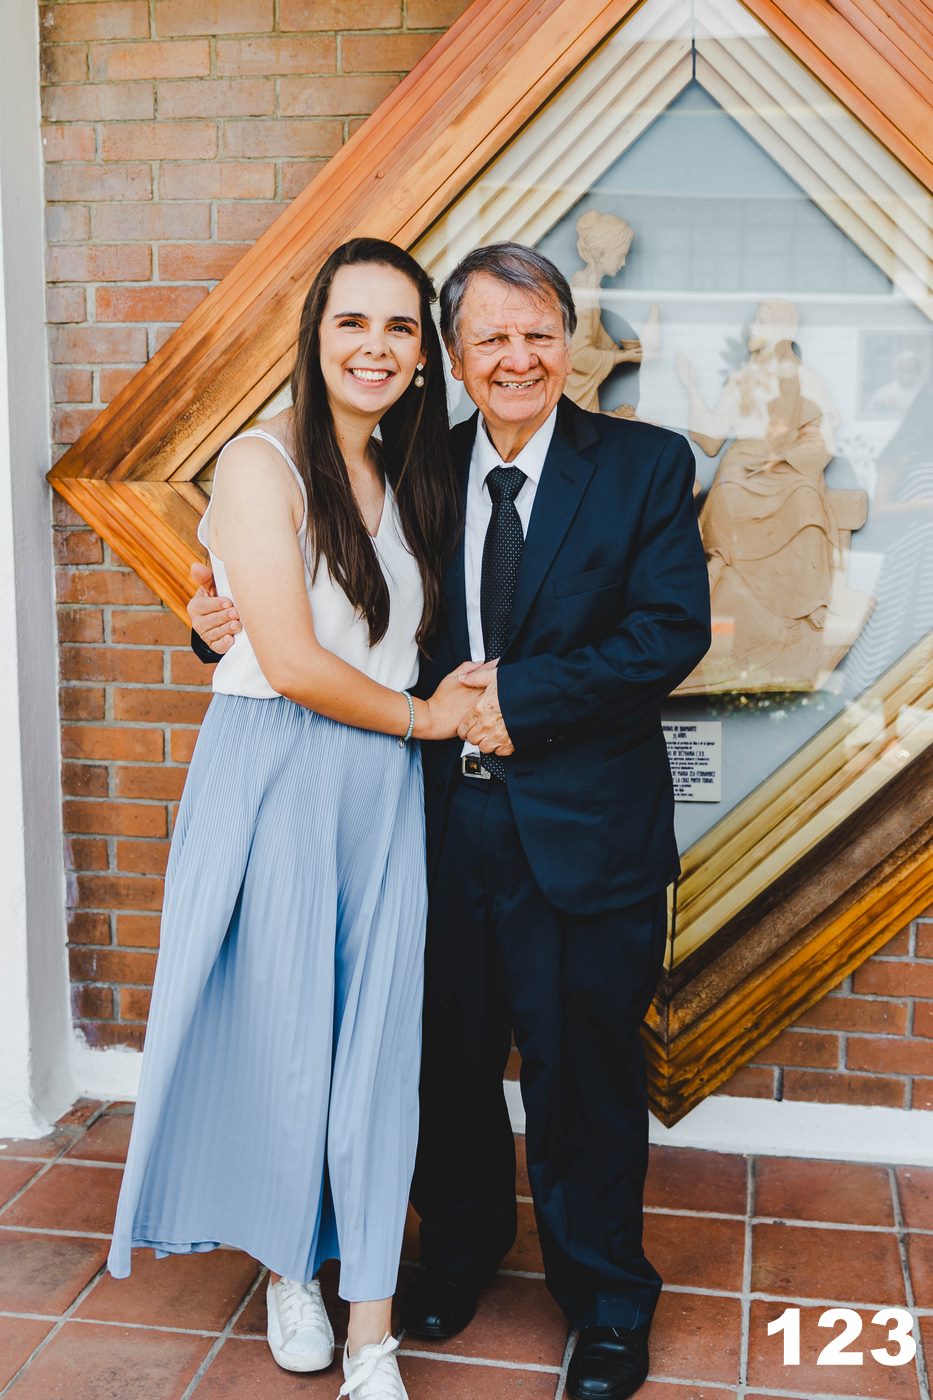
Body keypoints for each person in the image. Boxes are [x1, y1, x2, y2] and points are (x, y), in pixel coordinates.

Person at [191, 242, 711, 1400]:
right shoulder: (416, 462)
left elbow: (669, 633)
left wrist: (518, 699)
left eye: (538, 335)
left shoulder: (644, 464)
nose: (517, 358)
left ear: (567, 342)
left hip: (587, 832)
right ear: (456, 359)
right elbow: (332, 594)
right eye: (491, 339)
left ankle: (605, 1298)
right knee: (444, 1064)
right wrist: (215, 618)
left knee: (586, 1074)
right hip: (427, 825)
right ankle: (459, 1249)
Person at [111, 238, 472, 1400]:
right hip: (277, 763)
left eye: (401, 326)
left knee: (378, 1049)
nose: (376, 345)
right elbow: (293, 656)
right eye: (352, 321)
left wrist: (427, 719)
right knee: (285, 1037)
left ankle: (372, 1328)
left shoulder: (417, 470)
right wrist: (425, 719)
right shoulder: (259, 461)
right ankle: (288, 1267)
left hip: (381, 784)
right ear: (314, 336)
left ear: (424, 355)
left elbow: (399, 627)